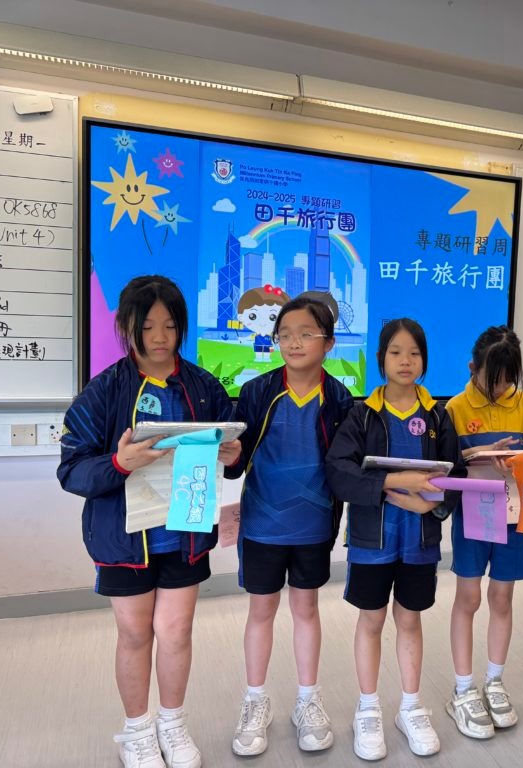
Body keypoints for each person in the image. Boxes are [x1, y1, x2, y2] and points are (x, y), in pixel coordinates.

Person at [58, 275, 238, 768]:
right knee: (136, 635)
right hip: (124, 537)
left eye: (170, 325)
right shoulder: (104, 391)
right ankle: (137, 731)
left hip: (185, 532)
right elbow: (71, 469)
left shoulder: (202, 386)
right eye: (148, 326)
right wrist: (119, 463)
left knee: (176, 632)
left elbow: (230, 449)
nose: (160, 337)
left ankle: (172, 725)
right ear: (127, 327)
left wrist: (233, 454)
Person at [326, 319, 463, 761]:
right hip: (372, 542)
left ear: (425, 360)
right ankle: (368, 708)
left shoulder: (438, 416)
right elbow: (339, 471)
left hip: (420, 542)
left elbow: (456, 474)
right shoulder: (362, 414)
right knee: (371, 621)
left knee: (409, 620)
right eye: (396, 352)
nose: (406, 361)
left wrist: (433, 506)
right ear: (381, 359)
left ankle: (410, 706)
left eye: (414, 353)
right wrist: (393, 484)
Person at [226, 296, 353, 756]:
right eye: (285, 335)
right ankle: (255, 700)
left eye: (305, 334)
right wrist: (228, 456)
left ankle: (307, 700)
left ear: (329, 343)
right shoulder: (257, 391)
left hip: (314, 526)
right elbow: (235, 462)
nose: (293, 343)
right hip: (262, 525)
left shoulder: (339, 398)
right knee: (260, 611)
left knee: (306, 610)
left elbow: (346, 464)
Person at [444, 326, 523, 739]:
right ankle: (463, 687)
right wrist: (475, 455)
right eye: (493, 380)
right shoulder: (455, 407)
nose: (500, 388)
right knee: (468, 598)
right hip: (473, 515)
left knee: (502, 597)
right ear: (473, 368)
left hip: (514, 513)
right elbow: (447, 464)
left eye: (507, 380)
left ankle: (494, 680)